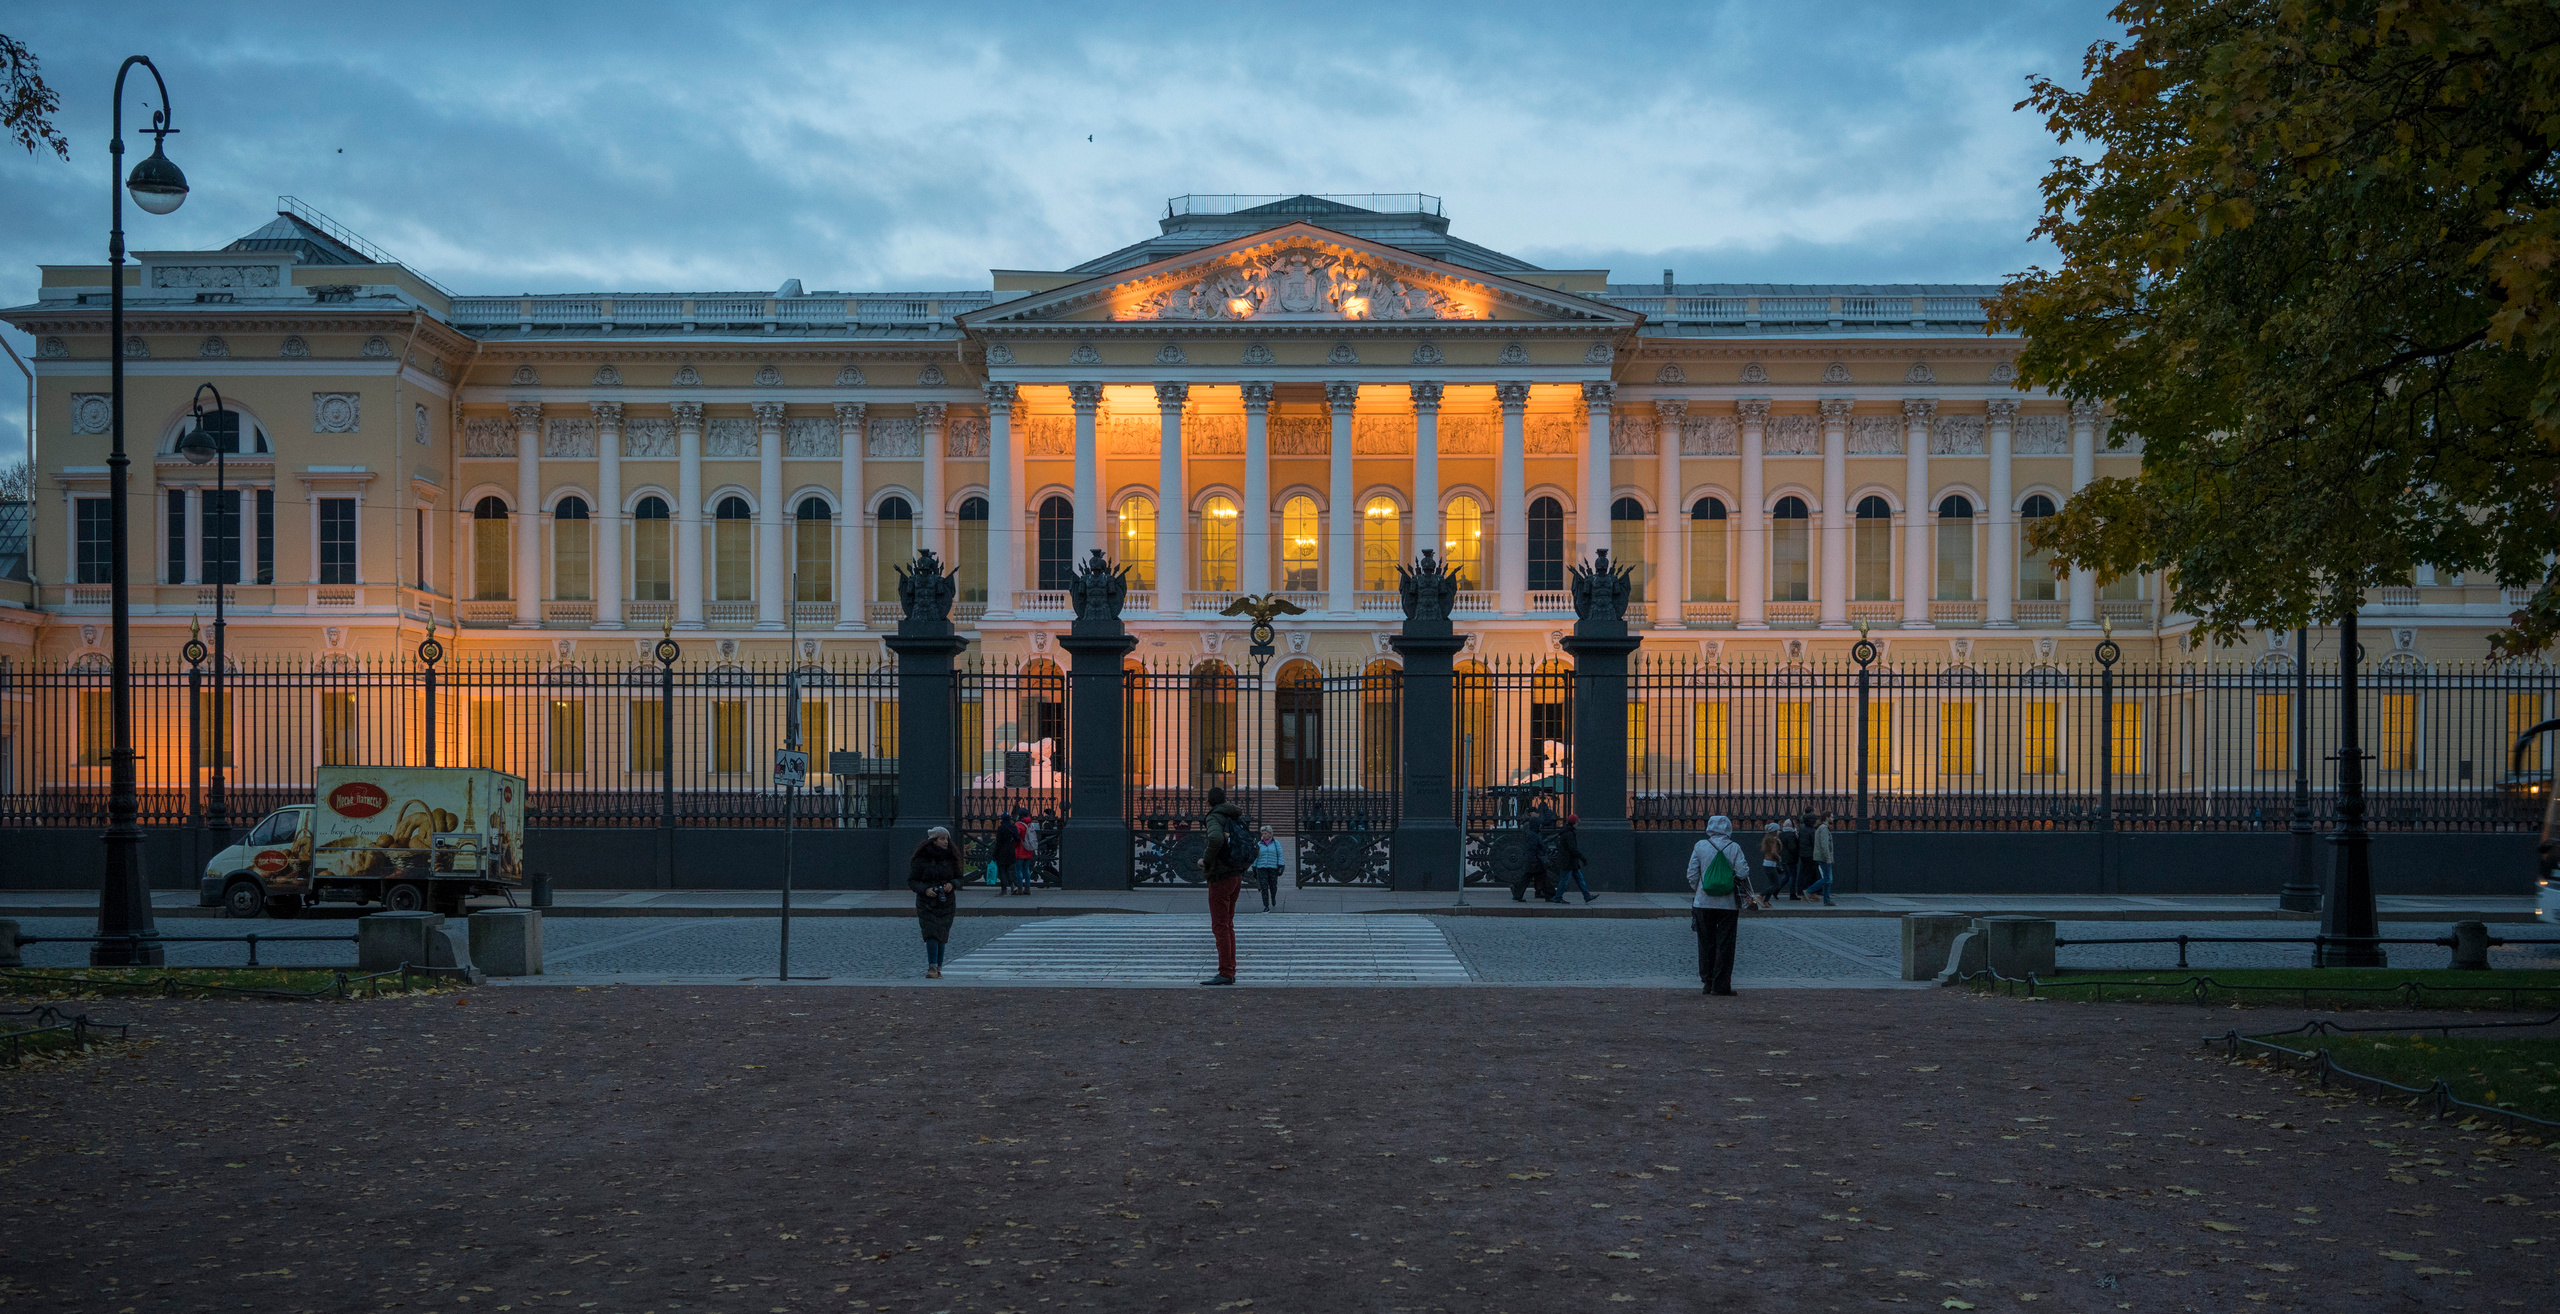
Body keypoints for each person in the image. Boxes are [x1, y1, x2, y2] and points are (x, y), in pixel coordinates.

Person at [1685, 815, 1750, 996]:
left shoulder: (1700, 846)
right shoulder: (1734, 847)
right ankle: (1721, 985)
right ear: (1728, 828)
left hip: (1703, 903)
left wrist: (1700, 888)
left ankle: (1707, 982)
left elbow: (1692, 874)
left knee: (1705, 942)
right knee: (1725, 944)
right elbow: (1743, 872)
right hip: (1728, 904)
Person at [1197, 786, 1253, 985]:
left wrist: (1206, 861)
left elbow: (1215, 838)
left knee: (1220, 926)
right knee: (1228, 925)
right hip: (1235, 874)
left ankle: (1226, 972)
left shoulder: (1214, 817)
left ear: (1209, 802)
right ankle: (1230, 969)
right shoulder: (1234, 815)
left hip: (1220, 876)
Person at [908, 826, 964, 979]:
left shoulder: (951, 857)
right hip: (927, 902)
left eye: (947, 839)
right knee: (932, 933)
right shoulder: (922, 859)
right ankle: (932, 967)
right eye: (942, 839)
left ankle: (939, 968)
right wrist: (926, 890)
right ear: (933, 841)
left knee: (942, 934)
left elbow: (959, 877)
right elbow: (912, 881)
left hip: (946, 901)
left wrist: (952, 884)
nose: (945, 842)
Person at [1513, 799, 1552, 903]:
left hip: (1533, 860)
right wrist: (1536, 858)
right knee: (1541, 878)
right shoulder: (1533, 834)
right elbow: (1533, 848)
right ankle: (1550, 895)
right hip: (1535, 860)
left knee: (1529, 878)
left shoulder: (1533, 832)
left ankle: (1517, 893)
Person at [1549, 814, 1594, 903]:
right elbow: (1572, 849)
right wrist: (1582, 858)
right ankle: (1558, 897)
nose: (1577, 824)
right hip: (1568, 861)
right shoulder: (1569, 834)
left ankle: (1587, 896)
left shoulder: (1565, 832)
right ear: (1574, 823)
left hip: (1570, 861)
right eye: (1577, 822)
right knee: (1565, 880)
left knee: (1578, 879)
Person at [1805, 811, 1837, 907]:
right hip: (1824, 857)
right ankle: (1808, 891)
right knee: (1827, 878)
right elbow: (1824, 844)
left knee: (1828, 879)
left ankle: (1827, 900)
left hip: (1823, 856)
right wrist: (1828, 857)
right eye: (1831, 817)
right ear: (1827, 817)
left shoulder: (1822, 828)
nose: (1833, 819)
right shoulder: (1824, 828)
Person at [1250, 824, 1285, 912]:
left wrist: (1281, 865)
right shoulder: (1259, 844)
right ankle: (1266, 905)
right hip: (1261, 867)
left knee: (1273, 886)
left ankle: (1273, 897)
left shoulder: (1276, 843)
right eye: (1262, 834)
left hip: (1273, 868)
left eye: (1265, 833)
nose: (1263, 835)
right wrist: (1254, 867)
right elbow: (1256, 856)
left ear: (1270, 834)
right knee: (1264, 887)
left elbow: (1280, 855)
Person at [1758, 820, 1787, 907]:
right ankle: (1761, 895)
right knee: (1776, 884)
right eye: (1778, 830)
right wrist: (1779, 858)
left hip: (1767, 863)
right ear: (1774, 831)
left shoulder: (1767, 839)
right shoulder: (1774, 840)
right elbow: (1773, 852)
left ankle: (1766, 901)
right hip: (1771, 864)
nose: (1779, 832)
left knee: (1772, 883)